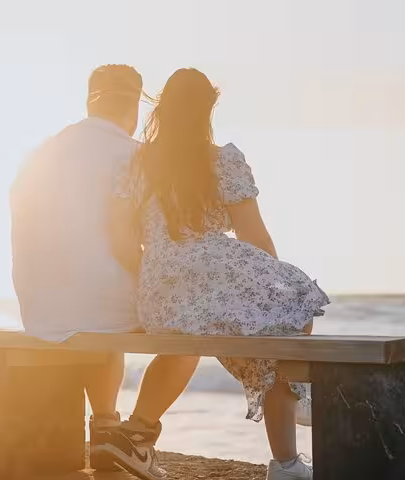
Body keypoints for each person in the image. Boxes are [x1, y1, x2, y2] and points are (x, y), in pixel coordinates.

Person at [105, 68, 330, 480]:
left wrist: (152, 280)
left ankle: (289, 447)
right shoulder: (222, 158)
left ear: (162, 107)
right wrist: (271, 281)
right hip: (211, 269)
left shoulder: (137, 162)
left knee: (252, 341)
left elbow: (121, 236)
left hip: (159, 290)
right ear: (208, 107)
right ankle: (289, 442)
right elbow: (253, 234)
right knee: (294, 305)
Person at [10, 65, 199, 480]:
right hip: (96, 302)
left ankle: (106, 432)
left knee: (104, 318)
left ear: (88, 101)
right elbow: (136, 241)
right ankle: (137, 438)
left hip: (39, 306)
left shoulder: (42, 151)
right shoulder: (134, 155)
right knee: (190, 336)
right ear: (134, 107)